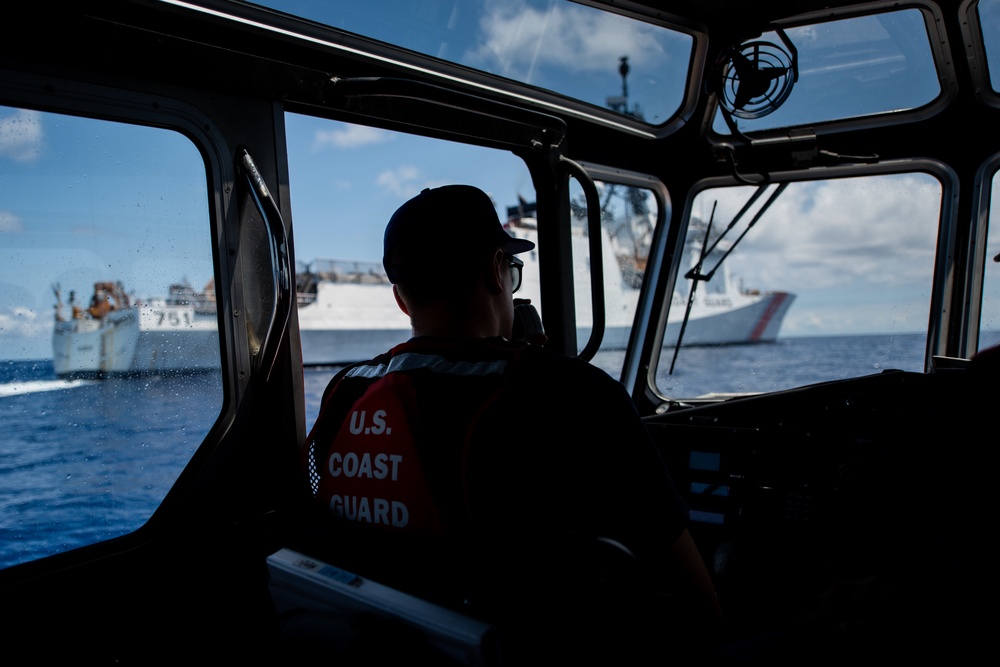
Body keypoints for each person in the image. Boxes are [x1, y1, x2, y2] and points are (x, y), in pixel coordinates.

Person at [301, 185, 722, 662]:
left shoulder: (345, 391)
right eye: (512, 268)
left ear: (401, 298)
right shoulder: (574, 393)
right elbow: (693, 594)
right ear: (495, 272)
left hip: (383, 655)